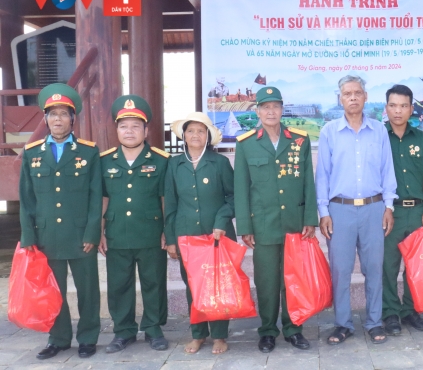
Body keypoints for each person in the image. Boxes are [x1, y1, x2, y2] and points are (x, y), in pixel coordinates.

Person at [19, 83, 102, 359]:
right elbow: (27, 199)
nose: (57, 119)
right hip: (47, 235)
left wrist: (93, 232)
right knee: (54, 290)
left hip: (81, 236)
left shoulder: (89, 152)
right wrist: (29, 236)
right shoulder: (31, 154)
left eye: (63, 114)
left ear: (72, 119)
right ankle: (59, 338)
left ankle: (88, 337)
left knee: (87, 289)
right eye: (52, 114)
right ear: (45, 119)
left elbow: (95, 195)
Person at [234, 87, 317, 353]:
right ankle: (268, 331)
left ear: (282, 109)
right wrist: (245, 227)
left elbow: (308, 183)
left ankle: (293, 329)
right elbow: (241, 188)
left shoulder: (299, 141)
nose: (271, 112)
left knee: (292, 281)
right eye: (265, 107)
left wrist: (309, 219)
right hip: (263, 226)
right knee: (267, 282)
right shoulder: (246, 143)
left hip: (294, 223)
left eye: (275, 106)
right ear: (257, 111)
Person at [316, 75, 397, 346]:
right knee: (340, 269)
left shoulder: (379, 130)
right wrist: (323, 211)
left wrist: (388, 206)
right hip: (340, 211)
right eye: (347, 93)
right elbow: (323, 175)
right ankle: (343, 324)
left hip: (374, 209)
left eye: (358, 93)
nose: (353, 97)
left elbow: (388, 170)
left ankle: (374, 322)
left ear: (365, 97)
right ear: (340, 98)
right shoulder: (329, 131)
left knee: (374, 268)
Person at [99, 95, 170, 353]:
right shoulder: (104, 161)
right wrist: (99, 232)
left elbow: (165, 199)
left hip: (151, 233)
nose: (129, 131)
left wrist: (167, 232)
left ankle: (153, 328)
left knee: (154, 282)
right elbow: (102, 198)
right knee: (119, 285)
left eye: (135, 126)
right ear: (116, 130)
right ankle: (123, 331)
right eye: (124, 126)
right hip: (116, 233)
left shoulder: (161, 161)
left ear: (146, 130)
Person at [164, 112, 235, 355]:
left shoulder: (220, 163)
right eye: (191, 130)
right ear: (184, 135)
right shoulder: (174, 164)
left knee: (218, 286)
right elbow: (170, 204)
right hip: (187, 236)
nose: (196, 135)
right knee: (193, 286)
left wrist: (221, 220)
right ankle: (198, 334)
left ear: (208, 136)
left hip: (217, 236)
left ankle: (219, 336)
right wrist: (171, 240)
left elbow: (232, 197)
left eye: (201, 131)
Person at [381, 85, 423, 336]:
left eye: (404, 105)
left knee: (415, 266)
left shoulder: (422, 139)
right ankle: (390, 313)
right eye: (393, 105)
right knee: (388, 266)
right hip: (389, 212)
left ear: (411, 108)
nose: (398, 111)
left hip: (417, 211)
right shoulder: (378, 137)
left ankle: (411, 311)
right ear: (386, 108)